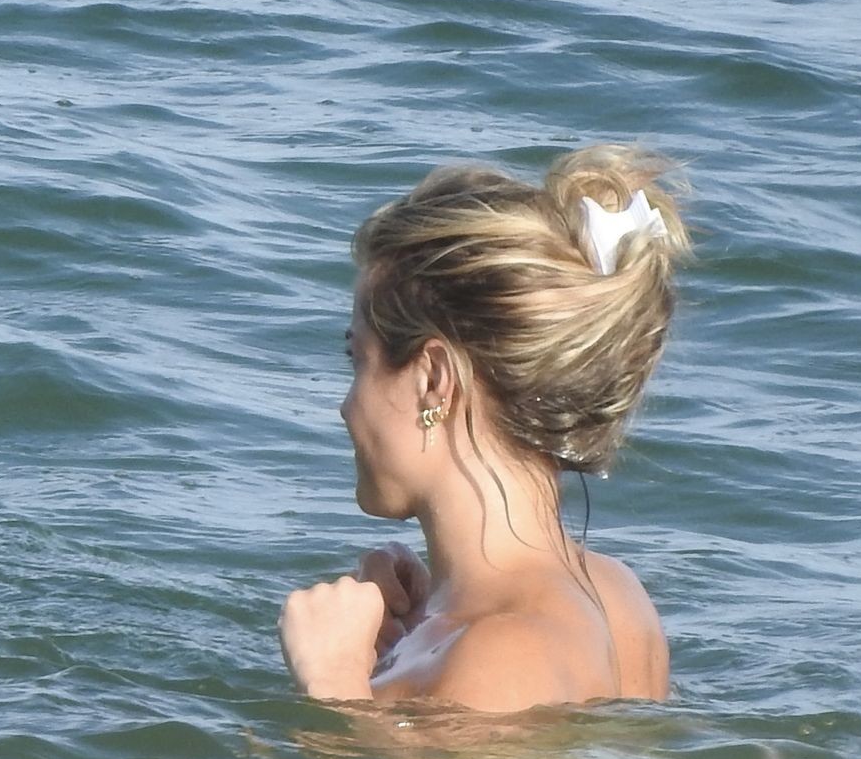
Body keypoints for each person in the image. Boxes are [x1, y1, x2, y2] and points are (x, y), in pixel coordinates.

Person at [278, 142, 694, 716]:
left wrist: (332, 680)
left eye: (358, 361)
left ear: (433, 379)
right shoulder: (618, 595)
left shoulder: (501, 651)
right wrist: (407, 639)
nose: (347, 408)